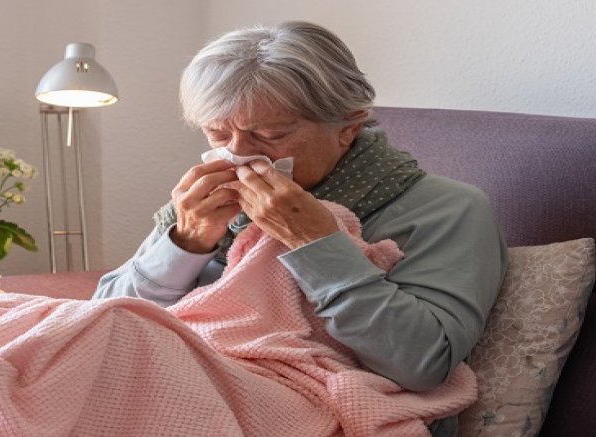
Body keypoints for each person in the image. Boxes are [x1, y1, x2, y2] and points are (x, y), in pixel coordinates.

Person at [93, 21, 507, 436]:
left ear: (349, 127)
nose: (237, 153)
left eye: (271, 134)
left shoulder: (447, 209)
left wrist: (314, 242)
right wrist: (186, 242)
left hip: (317, 407)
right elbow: (102, 322)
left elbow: (422, 366)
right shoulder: (207, 201)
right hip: (188, 388)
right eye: (217, 132)